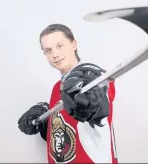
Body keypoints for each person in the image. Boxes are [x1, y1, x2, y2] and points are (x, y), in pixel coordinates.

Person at [18, 24, 118, 163]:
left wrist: (92, 90)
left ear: (74, 44)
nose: (55, 54)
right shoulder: (57, 88)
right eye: (48, 50)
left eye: (60, 46)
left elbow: (100, 103)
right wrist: (45, 125)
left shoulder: (95, 78)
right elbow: (68, 134)